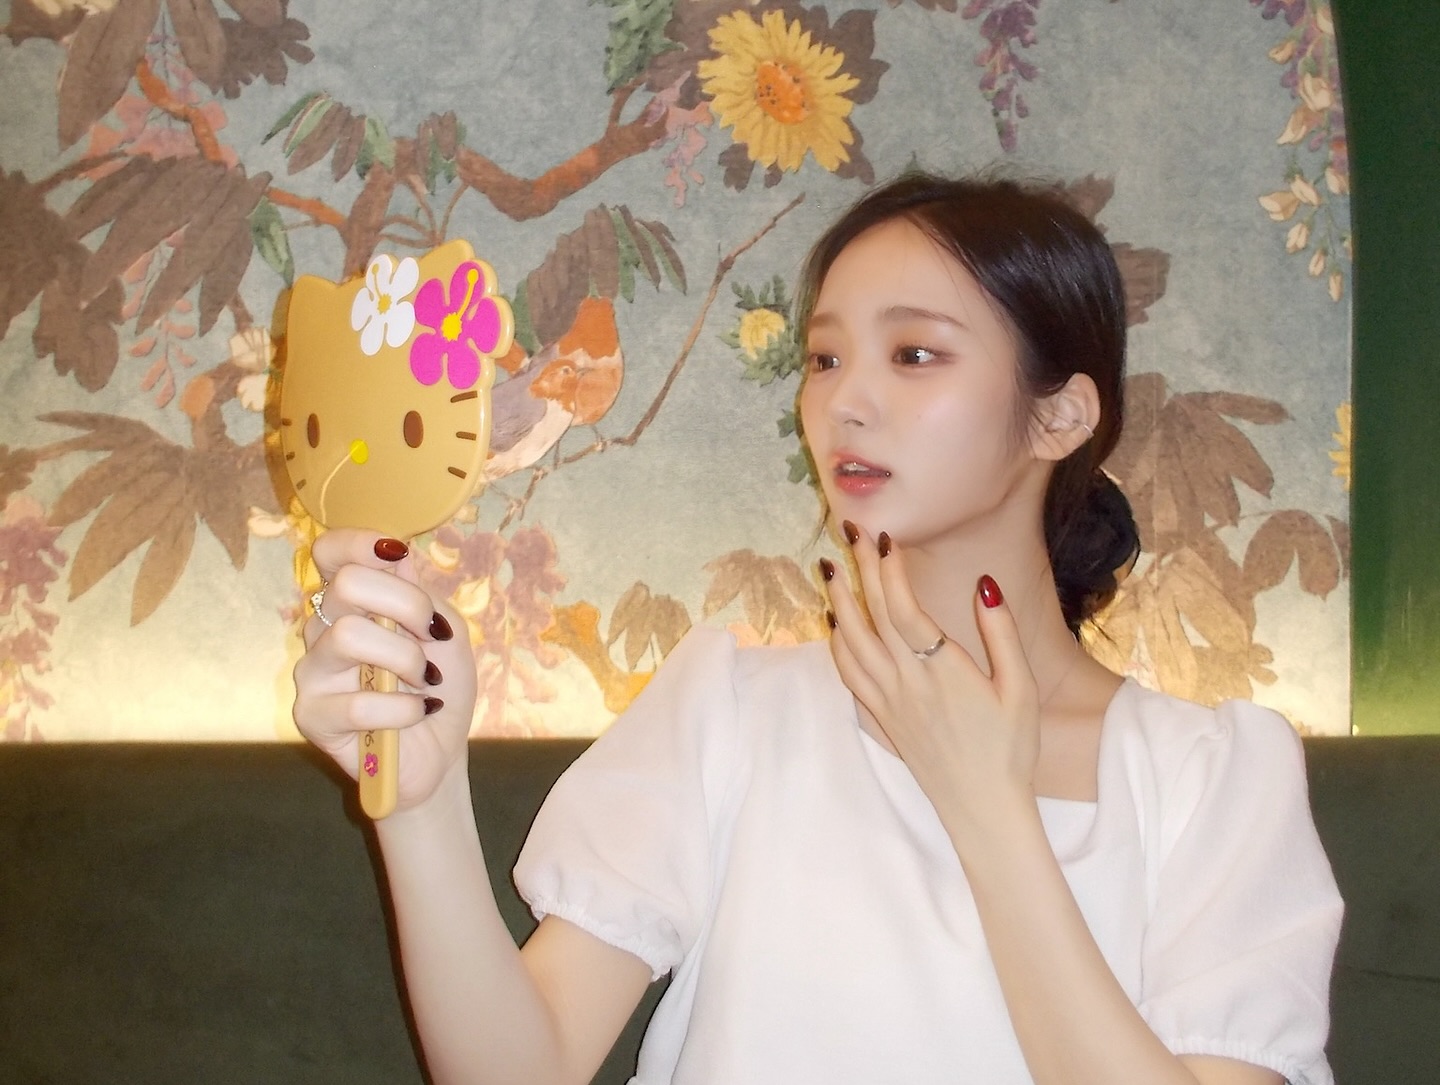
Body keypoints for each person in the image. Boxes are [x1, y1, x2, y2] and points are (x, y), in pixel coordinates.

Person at [293, 173, 1342, 1085]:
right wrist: (421, 804)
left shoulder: (1212, 777)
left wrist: (987, 805)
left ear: (1059, 415)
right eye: (826, 358)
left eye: (915, 353)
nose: (845, 402)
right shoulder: (731, 710)